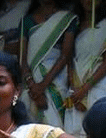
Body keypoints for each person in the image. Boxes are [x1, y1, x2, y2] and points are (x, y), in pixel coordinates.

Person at [63, 0, 106, 137]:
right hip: (77, 82)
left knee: (101, 131)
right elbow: (68, 58)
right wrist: (75, 88)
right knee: (76, 135)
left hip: (102, 84)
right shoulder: (73, 25)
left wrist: (84, 90)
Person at [18, 0, 76, 129]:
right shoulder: (26, 21)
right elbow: (22, 58)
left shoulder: (67, 19)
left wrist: (42, 86)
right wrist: (32, 85)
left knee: (56, 132)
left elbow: (65, 55)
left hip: (57, 81)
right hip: (30, 83)